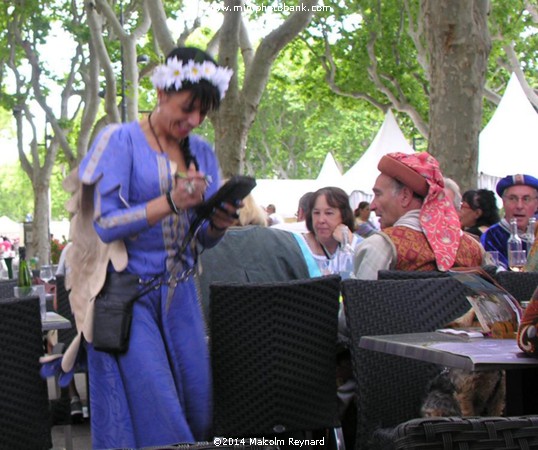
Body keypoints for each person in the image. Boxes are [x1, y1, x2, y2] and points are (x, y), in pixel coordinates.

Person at [43, 47, 237, 448]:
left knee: (199, 407)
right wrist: (170, 201)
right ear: (162, 91)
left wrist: (217, 223)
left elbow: (199, 237)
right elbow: (105, 222)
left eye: (202, 113)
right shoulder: (121, 140)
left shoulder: (200, 152)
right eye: (187, 108)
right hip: (129, 297)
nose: (194, 121)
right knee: (157, 410)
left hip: (181, 295)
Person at [353, 152, 484, 279]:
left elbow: (358, 299)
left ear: (405, 196)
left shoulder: (380, 246)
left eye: (378, 194)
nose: (372, 206)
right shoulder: (474, 248)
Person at [294, 187, 362, 278]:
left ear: (344, 215)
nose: (321, 220)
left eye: (329, 213)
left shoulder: (360, 246)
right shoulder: (299, 246)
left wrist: (348, 243)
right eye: (316, 213)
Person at [480, 174, 538, 269]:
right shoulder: (492, 237)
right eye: (512, 198)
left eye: (526, 199)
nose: (519, 206)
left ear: (536, 204)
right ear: (503, 202)